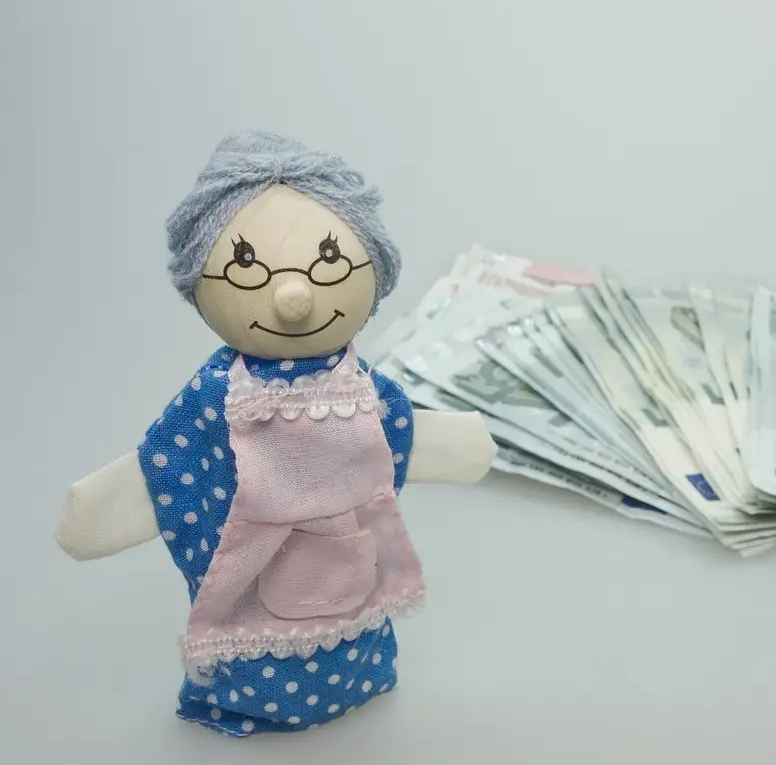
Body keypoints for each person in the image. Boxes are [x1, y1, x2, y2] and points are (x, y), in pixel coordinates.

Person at [54, 131, 498, 736]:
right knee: (254, 637)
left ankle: (360, 675)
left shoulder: (358, 384)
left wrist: (453, 445)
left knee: (357, 619)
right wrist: (104, 508)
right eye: (246, 266)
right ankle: (250, 699)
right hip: (253, 574)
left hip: (350, 567)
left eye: (328, 260)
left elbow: (398, 429)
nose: (292, 297)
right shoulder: (221, 394)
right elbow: (170, 458)